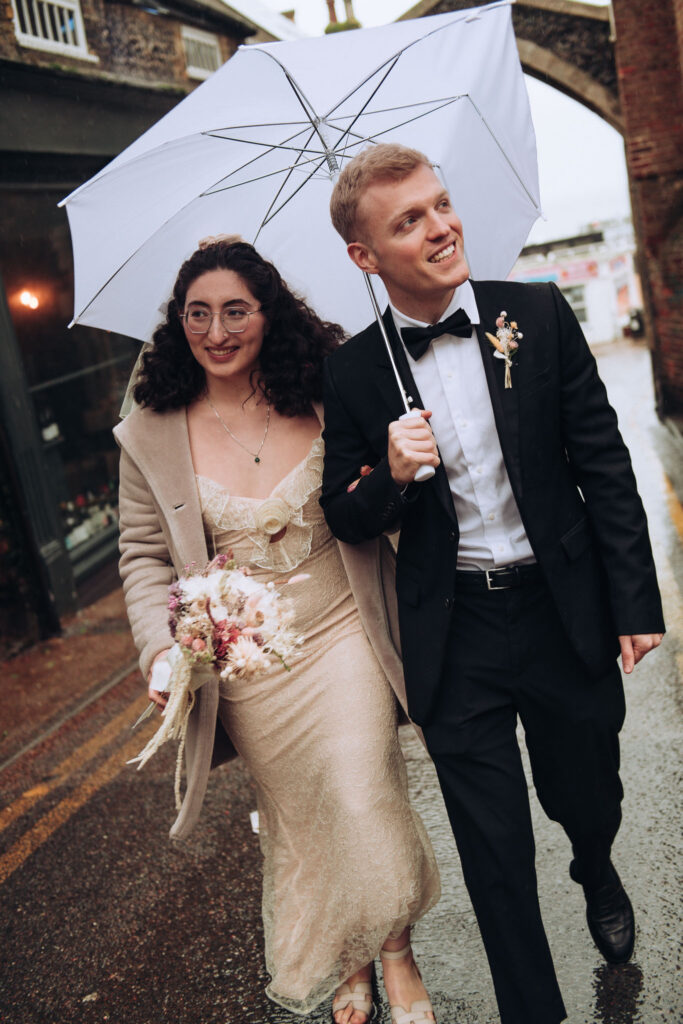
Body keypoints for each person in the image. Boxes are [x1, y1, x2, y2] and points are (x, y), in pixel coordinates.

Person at [320, 144, 665, 1024]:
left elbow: (604, 465)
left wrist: (633, 600)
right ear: (364, 258)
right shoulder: (355, 372)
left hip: (562, 611)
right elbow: (343, 515)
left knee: (585, 793)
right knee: (494, 852)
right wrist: (389, 475)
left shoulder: (537, 315)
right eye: (409, 221)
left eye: (440, 205)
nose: (441, 227)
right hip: (456, 631)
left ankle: (595, 862)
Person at [114, 238, 441, 1023]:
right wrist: (161, 648)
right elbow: (140, 552)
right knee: (303, 817)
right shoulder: (148, 430)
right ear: (177, 323)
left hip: (344, 627)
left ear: (268, 314)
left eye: (235, 311)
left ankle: (394, 953)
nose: (216, 331)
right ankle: (349, 958)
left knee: (361, 790)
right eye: (197, 313)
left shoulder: (328, 388)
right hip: (249, 666)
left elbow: (381, 492)